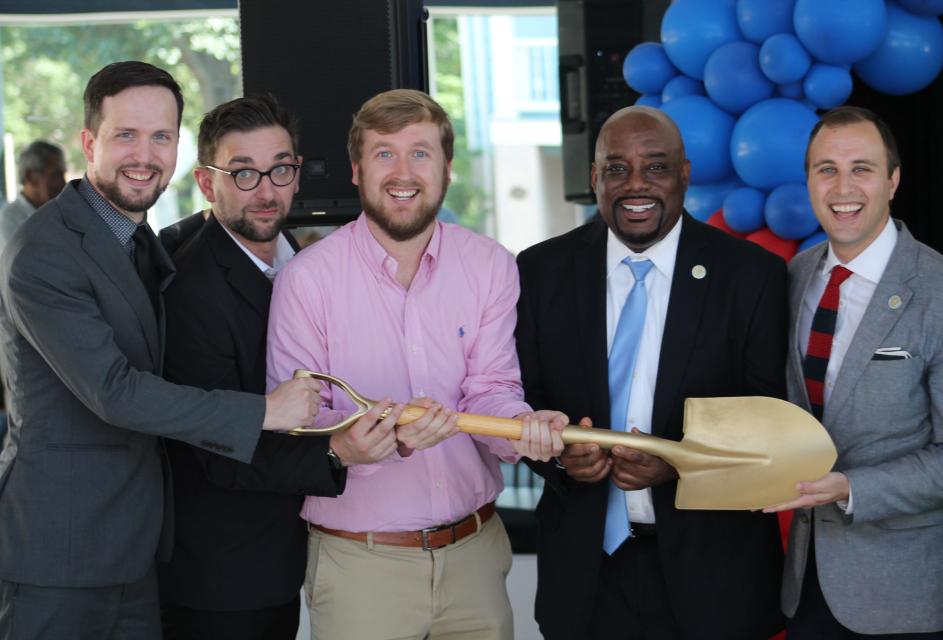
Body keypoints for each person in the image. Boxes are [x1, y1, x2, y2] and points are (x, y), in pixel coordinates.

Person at [0, 61, 321, 639]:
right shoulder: (43, 250)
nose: (144, 154)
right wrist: (267, 410)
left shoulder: (140, 237)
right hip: (61, 552)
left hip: (140, 548)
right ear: (89, 142)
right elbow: (115, 391)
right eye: (126, 134)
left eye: (161, 137)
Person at [265, 88, 566, 640]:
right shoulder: (306, 280)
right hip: (361, 567)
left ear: (447, 170)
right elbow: (299, 426)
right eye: (384, 154)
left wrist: (525, 431)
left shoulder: (490, 265)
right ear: (357, 170)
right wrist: (378, 443)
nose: (403, 172)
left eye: (420, 153)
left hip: (475, 555)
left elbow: (492, 389)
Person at [515, 105, 787, 640]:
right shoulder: (540, 271)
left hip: (713, 576)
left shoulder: (750, 276)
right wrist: (562, 457)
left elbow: (769, 419)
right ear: (594, 178)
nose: (635, 184)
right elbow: (523, 398)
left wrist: (679, 464)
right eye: (616, 168)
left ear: (685, 174)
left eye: (656, 167)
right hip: (587, 577)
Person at [156, 95, 356, 640]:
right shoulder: (190, 287)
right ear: (205, 182)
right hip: (221, 574)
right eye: (243, 173)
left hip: (285, 556)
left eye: (281, 169)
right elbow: (217, 454)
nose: (267, 191)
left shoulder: (298, 255)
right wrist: (339, 452)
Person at [764, 106, 943, 638]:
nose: (842, 186)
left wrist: (849, 487)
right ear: (808, 182)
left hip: (904, 595)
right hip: (803, 586)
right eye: (826, 169)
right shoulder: (794, 276)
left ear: (893, 181)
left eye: (862, 168)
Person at [0, 140, 67, 254]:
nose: (63, 183)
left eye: (62, 174)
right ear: (31, 177)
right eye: (55, 175)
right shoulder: (9, 217)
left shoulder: (60, 210)